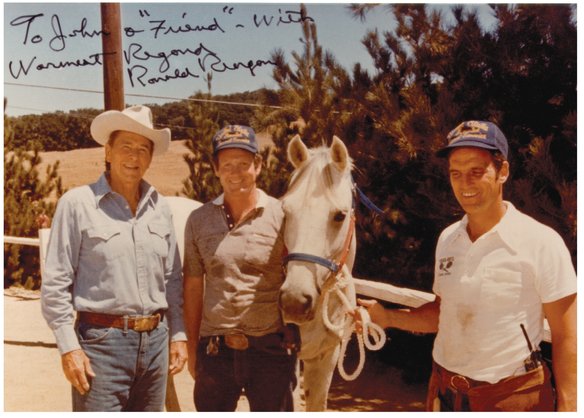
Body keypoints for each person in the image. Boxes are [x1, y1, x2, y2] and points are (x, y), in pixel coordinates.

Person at [357, 120, 577, 411]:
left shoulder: (541, 242)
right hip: (446, 393)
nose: (465, 184)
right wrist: (387, 317)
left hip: (512, 399)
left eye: (476, 171)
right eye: (456, 173)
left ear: (503, 172)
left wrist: (570, 408)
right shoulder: (449, 238)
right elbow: (441, 314)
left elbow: (567, 336)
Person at [41, 105, 187, 412]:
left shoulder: (160, 208)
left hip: (156, 344)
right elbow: (55, 284)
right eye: (126, 147)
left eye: (143, 150)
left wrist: (178, 336)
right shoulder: (77, 205)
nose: (134, 158)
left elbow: (172, 280)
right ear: (108, 151)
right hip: (101, 347)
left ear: (150, 157)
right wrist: (69, 348)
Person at [183, 125, 298, 411]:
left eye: (244, 164)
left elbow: (297, 277)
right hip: (216, 349)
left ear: (258, 165)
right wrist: (192, 348)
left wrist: (293, 331)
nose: (236, 173)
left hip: (270, 350)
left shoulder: (282, 215)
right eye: (227, 165)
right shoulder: (198, 220)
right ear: (216, 168)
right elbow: (194, 286)